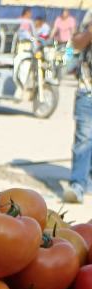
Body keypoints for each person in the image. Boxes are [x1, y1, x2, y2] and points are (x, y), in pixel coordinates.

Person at [63, 10, 92, 203]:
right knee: (84, 138)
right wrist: (90, 33)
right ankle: (78, 185)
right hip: (88, 89)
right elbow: (74, 44)